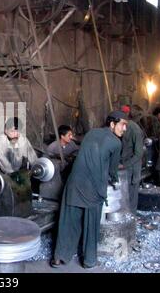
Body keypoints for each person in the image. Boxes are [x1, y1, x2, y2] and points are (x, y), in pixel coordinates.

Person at [51, 111, 127, 269]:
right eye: (122, 124)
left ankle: (59, 257)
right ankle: (89, 260)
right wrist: (114, 180)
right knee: (91, 224)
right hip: (94, 187)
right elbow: (113, 170)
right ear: (112, 124)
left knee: (68, 221)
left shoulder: (92, 133)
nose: (124, 128)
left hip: (74, 183)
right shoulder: (116, 143)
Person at [120, 105, 144, 213]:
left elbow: (139, 154)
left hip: (131, 168)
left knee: (131, 197)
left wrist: (124, 165)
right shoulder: (122, 126)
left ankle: (131, 219)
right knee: (122, 196)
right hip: (123, 167)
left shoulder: (135, 129)